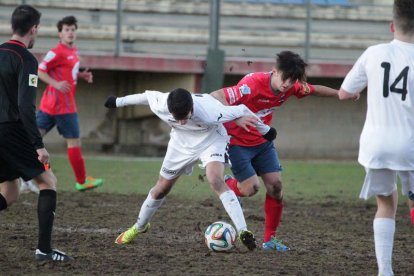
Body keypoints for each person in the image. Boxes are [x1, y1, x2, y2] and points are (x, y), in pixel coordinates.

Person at [104, 88, 277, 250]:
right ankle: (139, 227)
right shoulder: (162, 103)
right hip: (180, 144)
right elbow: (145, 96)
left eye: (185, 117)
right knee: (161, 189)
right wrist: (117, 102)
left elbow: (242, 109)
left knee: (214, 179)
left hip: (211, 140)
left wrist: (266, 130)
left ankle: (243, 231)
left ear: (191, 107)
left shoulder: (211, 111)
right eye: (177, 118)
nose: (181, 121)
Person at [210, 50, 342, 252]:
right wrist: (236, 117)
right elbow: (215, 96)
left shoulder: (291, 86)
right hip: (237, 143)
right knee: (250, 189)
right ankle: (230, 184)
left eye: (292, 80)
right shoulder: (251, 85)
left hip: (263, 143)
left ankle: (270, 240)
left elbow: (314, 89)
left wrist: (340, 94)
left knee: (276, 187)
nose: (287, 84)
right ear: (274, 71)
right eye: (284, 78)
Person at [338, 0, 414, 274]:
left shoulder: (374, 52)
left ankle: (385, 271)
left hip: (376, 146)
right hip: (409, 146)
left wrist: (361, 89)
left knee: (386, 203)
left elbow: (344, 92)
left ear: (392, 26)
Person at [0, 5, 72, 262]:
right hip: (10, 131)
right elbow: (25, 106)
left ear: (12, 27)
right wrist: (38, 145)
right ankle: (44, 250)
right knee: (48, 182)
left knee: (9, 194)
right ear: (34, 29)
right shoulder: (26, 59)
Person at [35, 15, 103, 191]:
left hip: (50, 106)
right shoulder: (56, 52)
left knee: (32, 141)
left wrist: (81, 75)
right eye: (66, 30)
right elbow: (40, 70)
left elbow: (66, 72)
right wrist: (56, 83)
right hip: (62, 107)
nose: (70, 33)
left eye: (73, 29)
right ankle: (81, 181)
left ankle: (28, 176)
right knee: (73, 143)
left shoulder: (73, 52)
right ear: (60, 33)